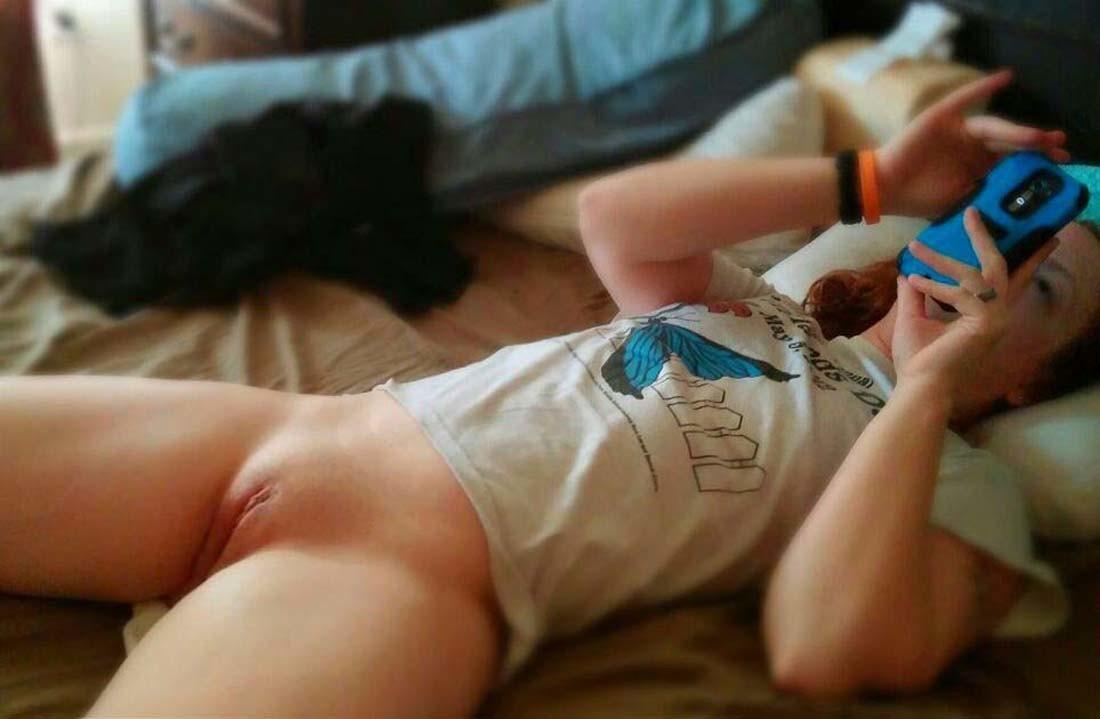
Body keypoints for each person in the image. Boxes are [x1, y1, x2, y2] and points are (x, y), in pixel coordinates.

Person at [2, 71, 1097, 717]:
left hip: (400, 582)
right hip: (287, 438)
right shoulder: (764, 306)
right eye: (1010, 231)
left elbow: (825, 641)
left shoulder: (963, 483)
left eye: (1040, 284)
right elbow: (615, 216)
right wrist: (875, 180)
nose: (994, 267)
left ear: (1036, 379)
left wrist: (924, 388)